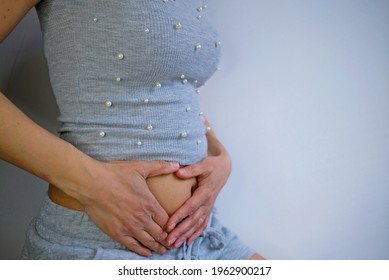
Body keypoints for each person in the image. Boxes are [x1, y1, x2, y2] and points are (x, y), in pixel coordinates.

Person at [0, 0, 264, 260]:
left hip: (200, 236)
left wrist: (219, 154)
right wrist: (93, 184)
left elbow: (175, 86)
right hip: (97, 242)